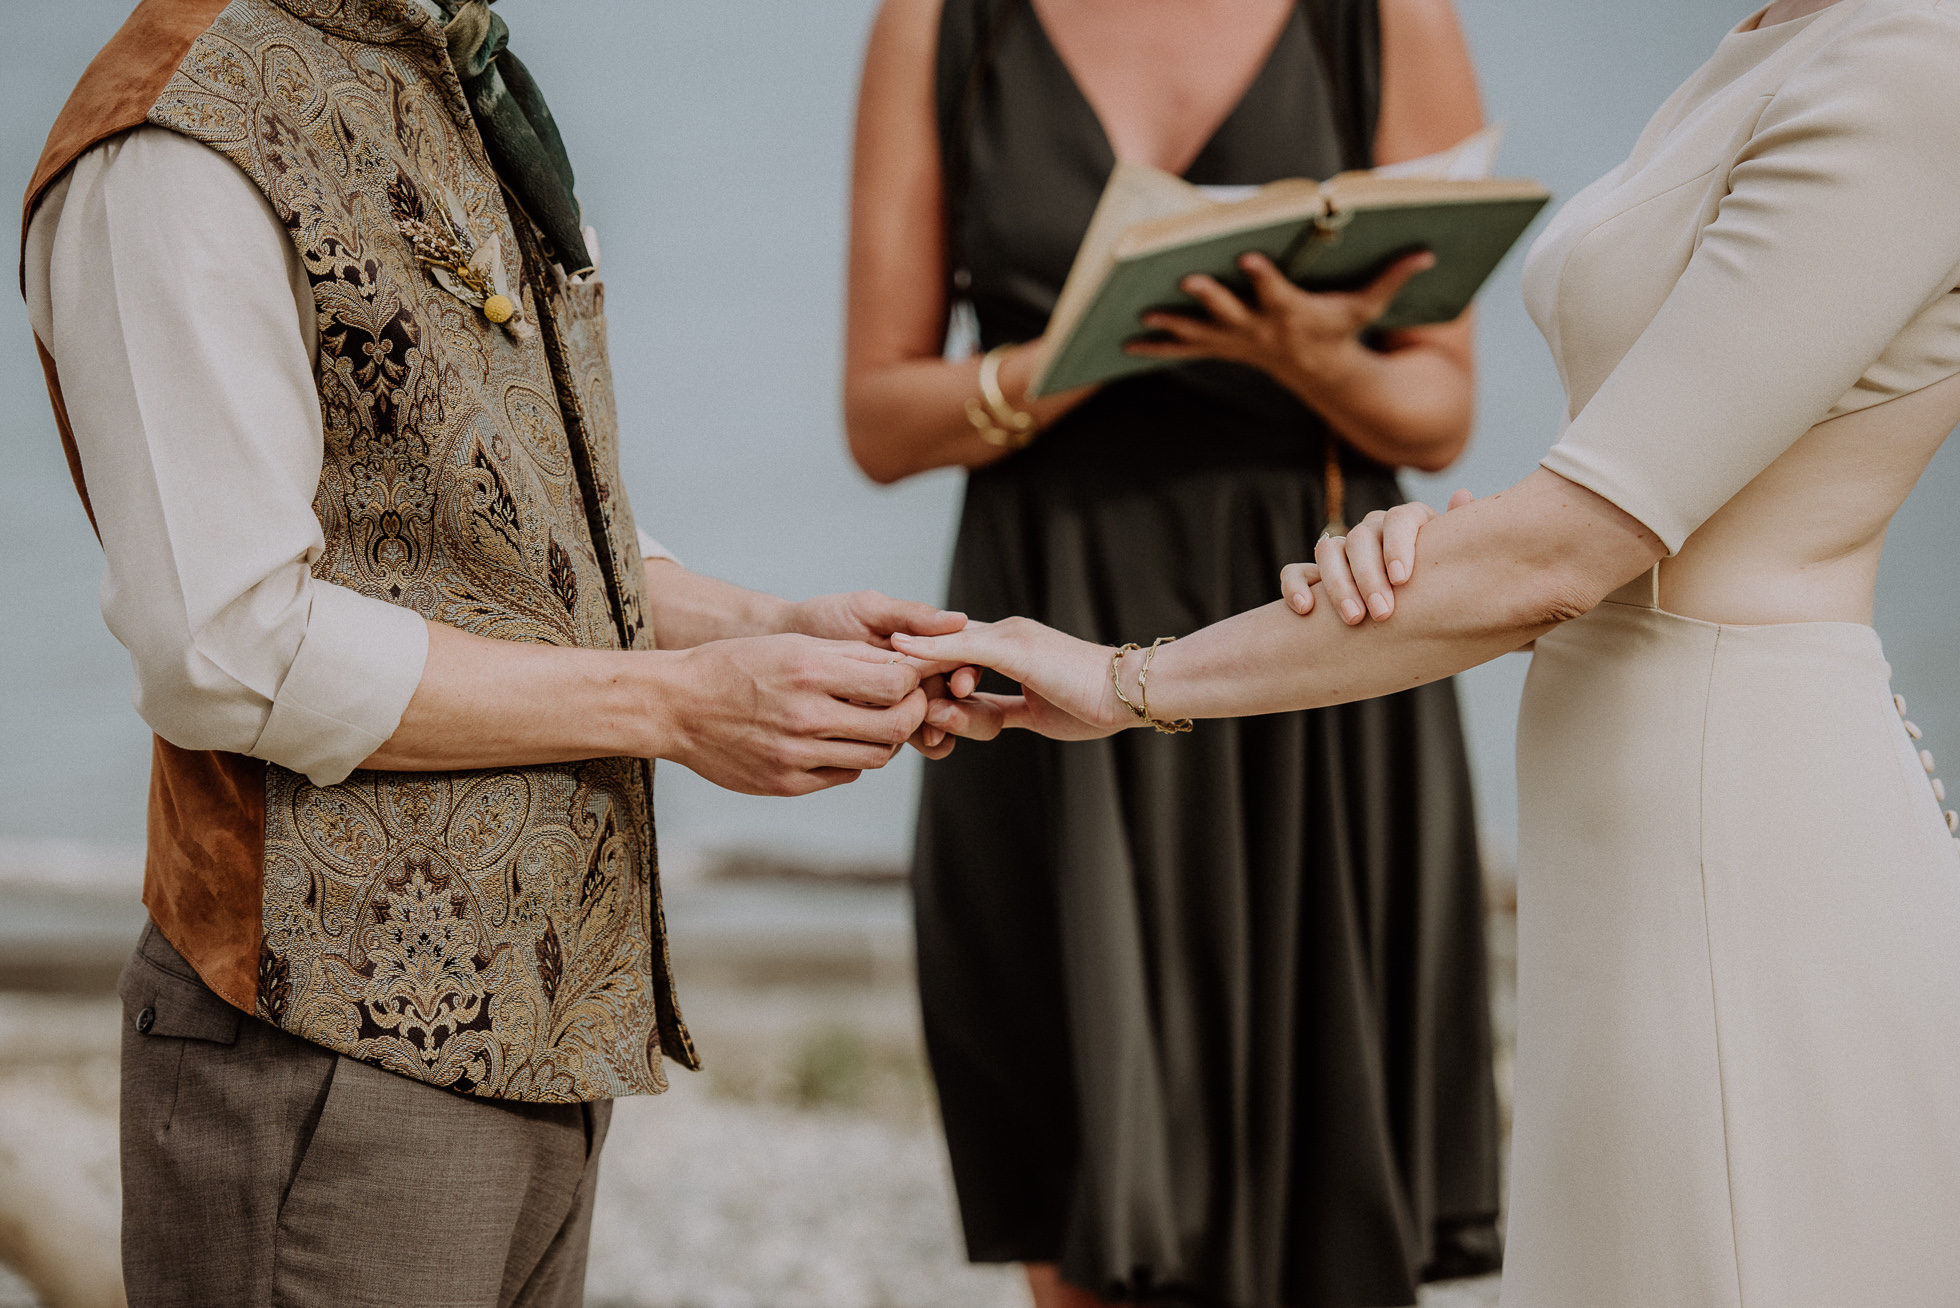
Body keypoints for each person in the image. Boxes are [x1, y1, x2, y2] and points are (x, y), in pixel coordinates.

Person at [895, 0, 1960, 1302]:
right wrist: (1427, 550)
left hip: (1741, 822)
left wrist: (1131, 678)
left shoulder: (1919, 58)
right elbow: (1573, 524)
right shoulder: (1770, 40)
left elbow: (1566, 553)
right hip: (1618, 814)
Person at [20, 0, 993, 1303]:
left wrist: (762, 628)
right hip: (319, 1059)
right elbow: (229, 646)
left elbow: (504, 528)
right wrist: (683, 707)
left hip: (539, 1032)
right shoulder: (173, 142)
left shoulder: (442, 67)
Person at [845, 1, 1505, 1304]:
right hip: (1046, 623)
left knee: (1331, 1176)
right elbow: (880, 415)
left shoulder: (1381, 18)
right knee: (1080, 1158)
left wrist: (1307, 352)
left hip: (1321, 623)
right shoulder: (939, 22)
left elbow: (1439, 405)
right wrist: (1084, 355)